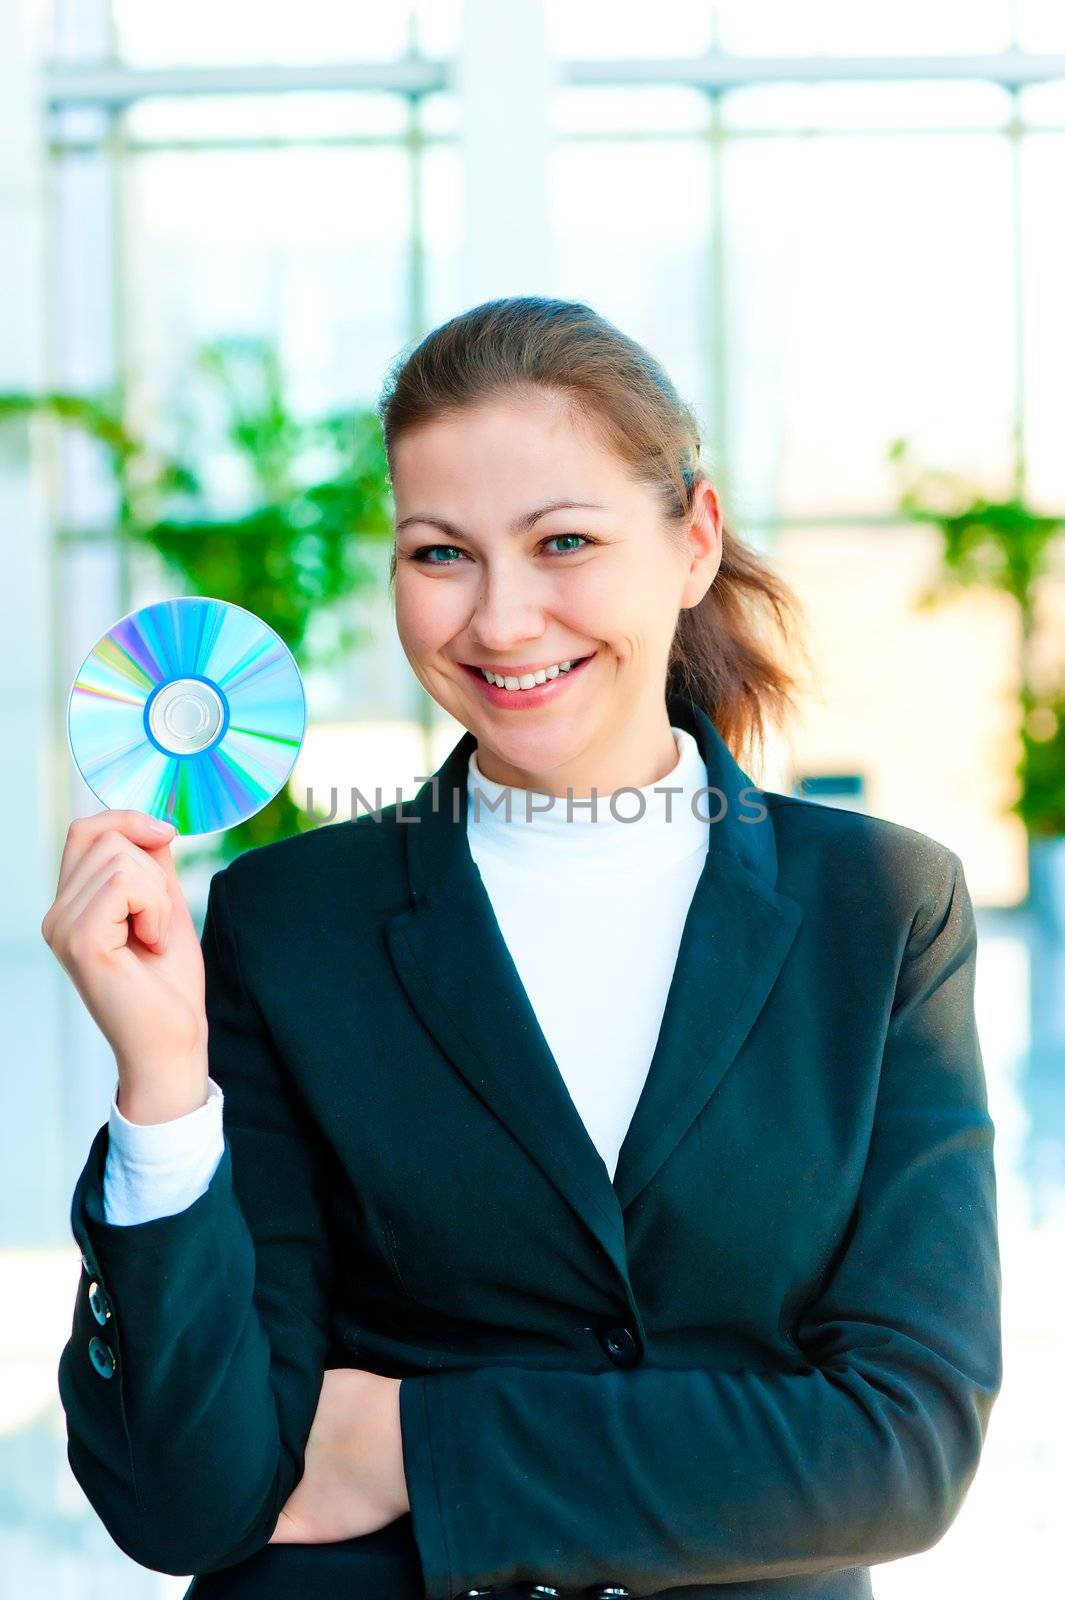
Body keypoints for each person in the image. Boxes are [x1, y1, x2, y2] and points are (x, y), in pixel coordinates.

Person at [44, 297, 1002, 1600]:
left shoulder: (881, 908)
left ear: (692, 542)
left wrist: (406, 1442)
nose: (499, 622)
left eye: (563, 541)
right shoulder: (287, 919)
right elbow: (191, 1502)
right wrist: (164, 1093)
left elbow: (899, 1451)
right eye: (439, 555)